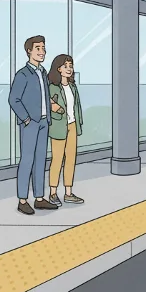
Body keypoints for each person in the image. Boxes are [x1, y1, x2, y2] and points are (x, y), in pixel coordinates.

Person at [8, 35, 59, 215]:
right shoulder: (23, 74)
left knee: (40, 161)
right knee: (27, 160)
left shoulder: (43, 73)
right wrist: (26, 119)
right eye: (38, 48)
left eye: (43, 48)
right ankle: (22, 200)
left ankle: (39, 198)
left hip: (44, 122)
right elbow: (13, 99)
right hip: (31, 124)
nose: (42, 51)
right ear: (29, 51)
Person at [46, 54, 84, 205]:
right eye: (65, 66)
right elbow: (46, 104)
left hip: (72, 125)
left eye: (71, 66)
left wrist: (79, 123)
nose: (69, 69)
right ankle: (53, 192)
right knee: (57, 160)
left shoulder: (73, 86)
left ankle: (68, 192)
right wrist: (54, 108)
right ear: (58, 69)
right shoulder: (52, 87)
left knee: (71, 160)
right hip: (58, 127)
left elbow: (77, 107)